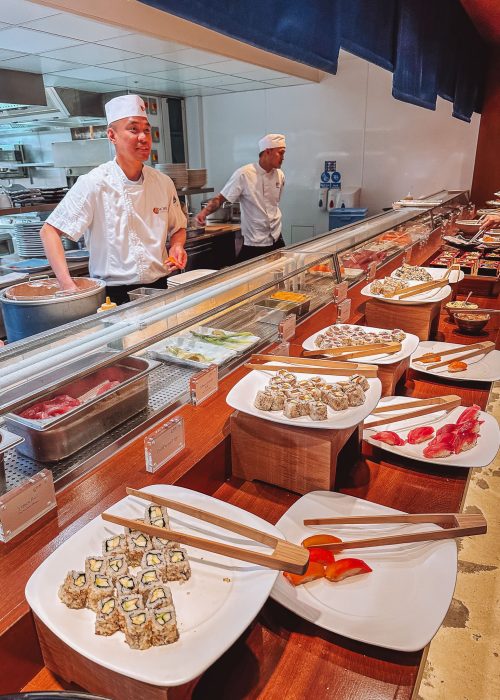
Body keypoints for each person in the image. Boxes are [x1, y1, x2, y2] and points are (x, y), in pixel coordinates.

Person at [40, 94, 187, 305]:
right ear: (112, 135)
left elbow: (178, 228)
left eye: (146, 130)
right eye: (133, 129)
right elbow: (49, 231)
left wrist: (177, 247)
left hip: (159, 288)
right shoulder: (94, 182)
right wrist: (67, 285)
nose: (144, 137)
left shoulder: (163, 182)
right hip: (113, 295)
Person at [195, 133, 286, 262]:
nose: (283, 157)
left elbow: (275, 204)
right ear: (267, 151)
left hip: (276, 237)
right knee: (249, 279)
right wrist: (204, 213)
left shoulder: (280, 175)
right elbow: (221, 199)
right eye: (280, 153)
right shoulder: (244, 174)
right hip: (255, 242)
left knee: (282, 275)